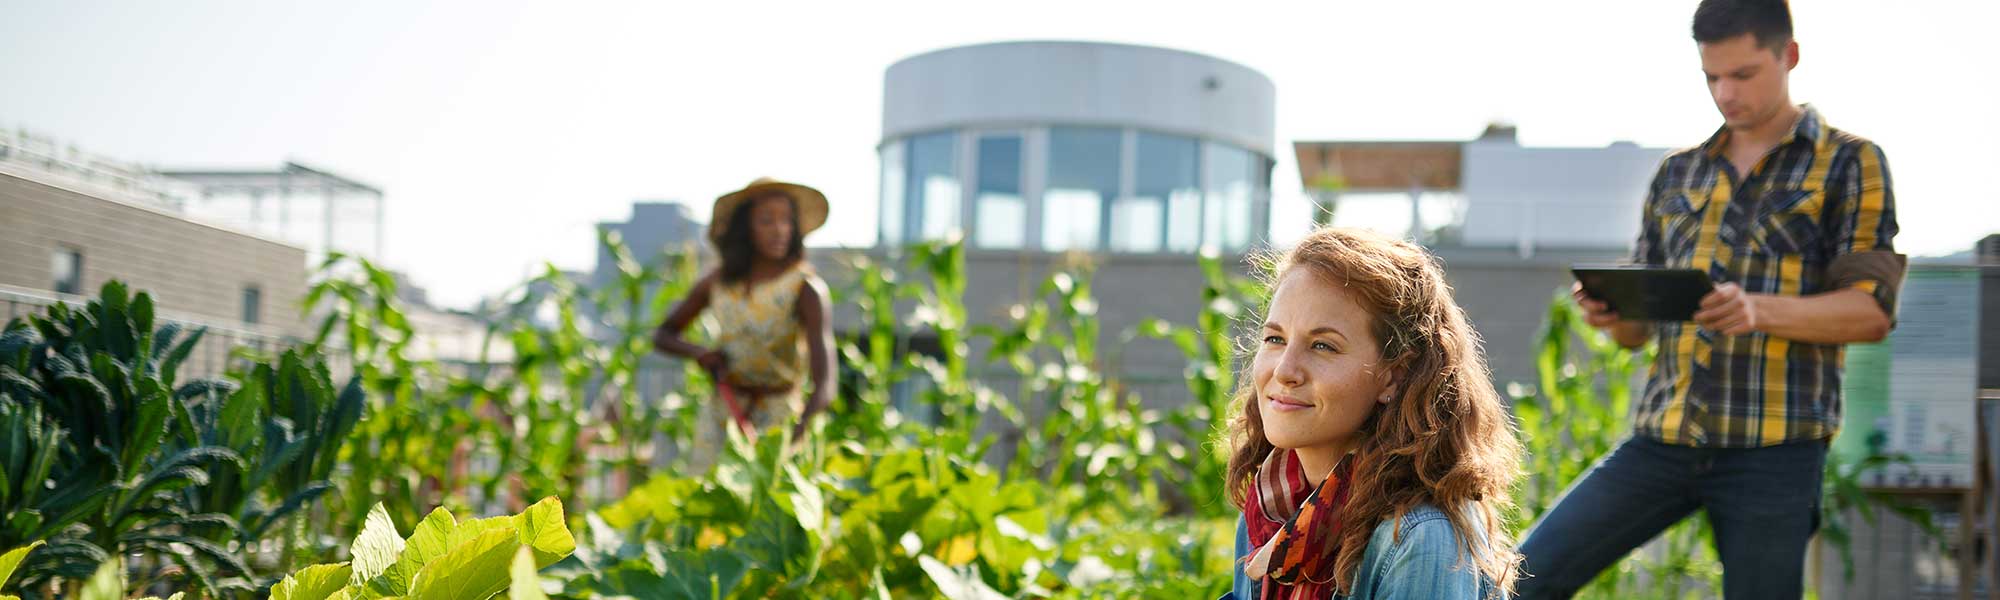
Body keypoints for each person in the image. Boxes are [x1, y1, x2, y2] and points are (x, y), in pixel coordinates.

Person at [1515, 1, 1904, 598]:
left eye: (1743, 75)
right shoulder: (1678, 174)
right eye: (1711, 77)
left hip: (1775, 450)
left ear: (1789, 56)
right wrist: (1611, 314)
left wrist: (1757, 310)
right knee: (1517, 581)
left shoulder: (1851, 162)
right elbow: (1637, 335)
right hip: (1663, 437)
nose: (1725, 92)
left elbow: (1871, 312)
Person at [1225, 227, 1522, 600]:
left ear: (1394, 376)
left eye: (1323, 346)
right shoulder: (1268, 512)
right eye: (1275, 339)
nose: (1284, 370)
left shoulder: (1421, 537)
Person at [652, 177, 837, 474]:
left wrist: (794, 438)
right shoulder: (718, 283)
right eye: (766, 221)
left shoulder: (804, 289)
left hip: (779, 420)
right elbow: (663, 334)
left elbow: (825, 385)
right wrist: (700, 354)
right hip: (723, 412)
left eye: (787, 221)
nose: (779, 230)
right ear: (745, 230)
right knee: (707, 502)